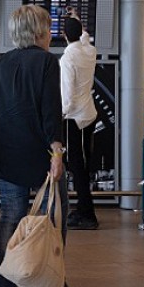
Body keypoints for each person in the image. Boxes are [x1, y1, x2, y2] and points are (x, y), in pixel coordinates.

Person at [0, 5, 87, 287]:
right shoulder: (47, 62)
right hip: (41, 156)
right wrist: (57, 152)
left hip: (7, 155)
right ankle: (50, 284)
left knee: (10, 217)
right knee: (52, 220)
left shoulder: (1, 63)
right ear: (40, 31)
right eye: (48, 27)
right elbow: (50, 112)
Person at [59, 12, 99, 230]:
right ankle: (84, 208)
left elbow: (67, 93)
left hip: (76, 118)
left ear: (64, 35)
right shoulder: (90, 51)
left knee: (78, 166)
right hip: (88, 114)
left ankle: (87, 214)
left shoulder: (67, 59)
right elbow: (85, 37)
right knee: (82, 164)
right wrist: (76, 19)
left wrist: (61, 114)